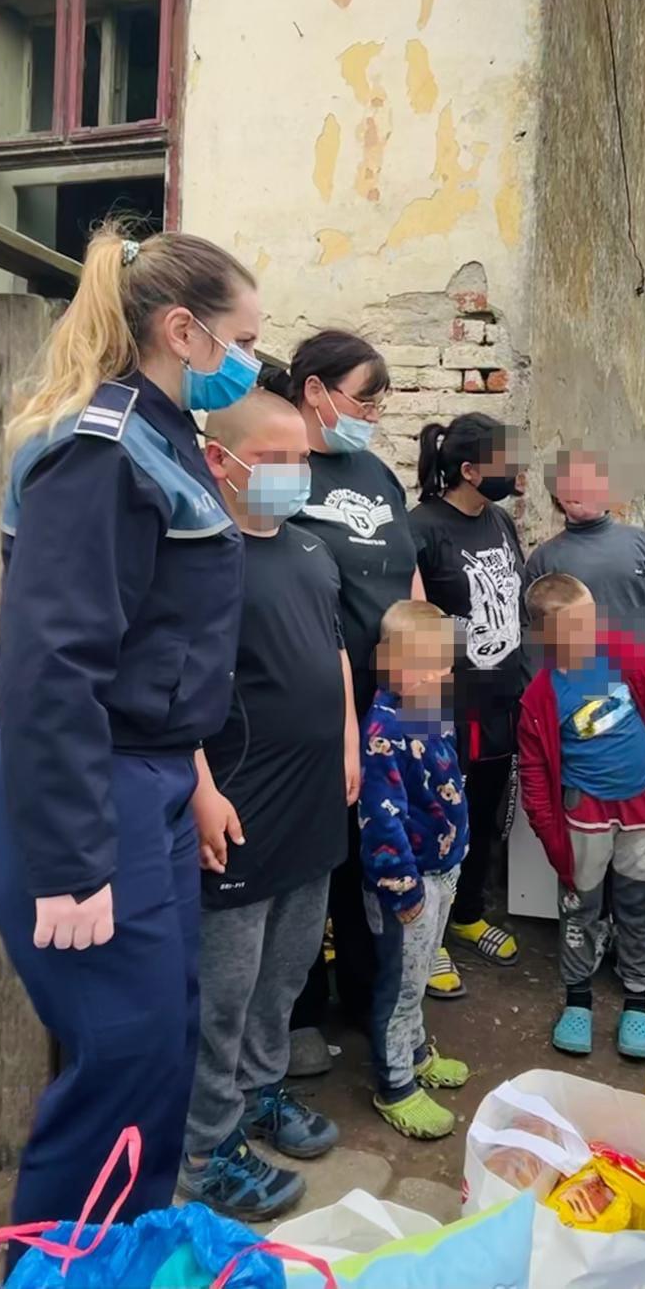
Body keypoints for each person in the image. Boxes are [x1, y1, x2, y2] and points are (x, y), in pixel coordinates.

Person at [0, 222, 258, 1266]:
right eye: (242, 337)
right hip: (82, 792)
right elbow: (53, 669)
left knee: (163, 1040)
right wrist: (74, 859)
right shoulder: (102, 448)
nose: (250, 360)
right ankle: (47, 1266)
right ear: (184, 329)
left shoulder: (167, 435)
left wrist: (193, 781)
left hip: (151, 781)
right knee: (120, 1053)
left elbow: (159, 648)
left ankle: (132, 1258)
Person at [177, 391, 355, 1220]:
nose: (296, 475)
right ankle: (207, 1150)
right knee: (225, 994)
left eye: (302, 461)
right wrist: (201, 789)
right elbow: (167, 692)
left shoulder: (314, 554)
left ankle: (259, 1098)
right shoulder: (199, 556)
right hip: (238, 812)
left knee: (283, 978)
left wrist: (350, 744)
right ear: (222, 460)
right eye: (278, 460)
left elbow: (338, 656)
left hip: (313, 806)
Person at [265, 330, 421, 1076]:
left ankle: (368, 993)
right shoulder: (285, 473)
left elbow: (407, 572)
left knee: (375, 851)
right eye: (364, 399)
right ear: (315, 391)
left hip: (391, 700)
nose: (371, 415)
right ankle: (297, 1011)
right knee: (311, 861)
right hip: (314, 700)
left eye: (379, 403)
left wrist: (428, 669)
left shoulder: (377, 474)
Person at [517, 574, 645, 1060]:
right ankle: (578, 1000)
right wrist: (553, 837)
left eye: (592, 619)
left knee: (637, 907)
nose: (591, 632)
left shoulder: (629, 658)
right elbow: (533, 772)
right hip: (584, 814)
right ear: (549, 637)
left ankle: (636, 999)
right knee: (579, 908)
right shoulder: (541, 696)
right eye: (576, 627)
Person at [408, 412, 528, 1000]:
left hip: (500, 704)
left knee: (483, 818)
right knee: (438, 825)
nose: (519, 472)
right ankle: (426, 942)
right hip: (447, 711)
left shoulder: (502, 521)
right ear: (469, 470)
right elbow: (411, 625)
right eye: (507, 462)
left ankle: (468, 914)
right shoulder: (423, 529)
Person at [359, 600, 472, 1139]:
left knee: (419, 976)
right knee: (400, 987)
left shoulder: (427, 714)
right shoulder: (383, 732)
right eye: (435, 669)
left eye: (446, 668)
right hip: (407, 886)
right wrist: (404, 889)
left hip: (440, 872)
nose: (444, 679)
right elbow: (382, 821)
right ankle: (396, 1084)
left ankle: (418, 1052)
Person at [525, 448, 645, 727]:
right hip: (582, 704)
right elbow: (535, 643)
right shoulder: (544, 559)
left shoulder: (643, 544)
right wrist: (543, 704)